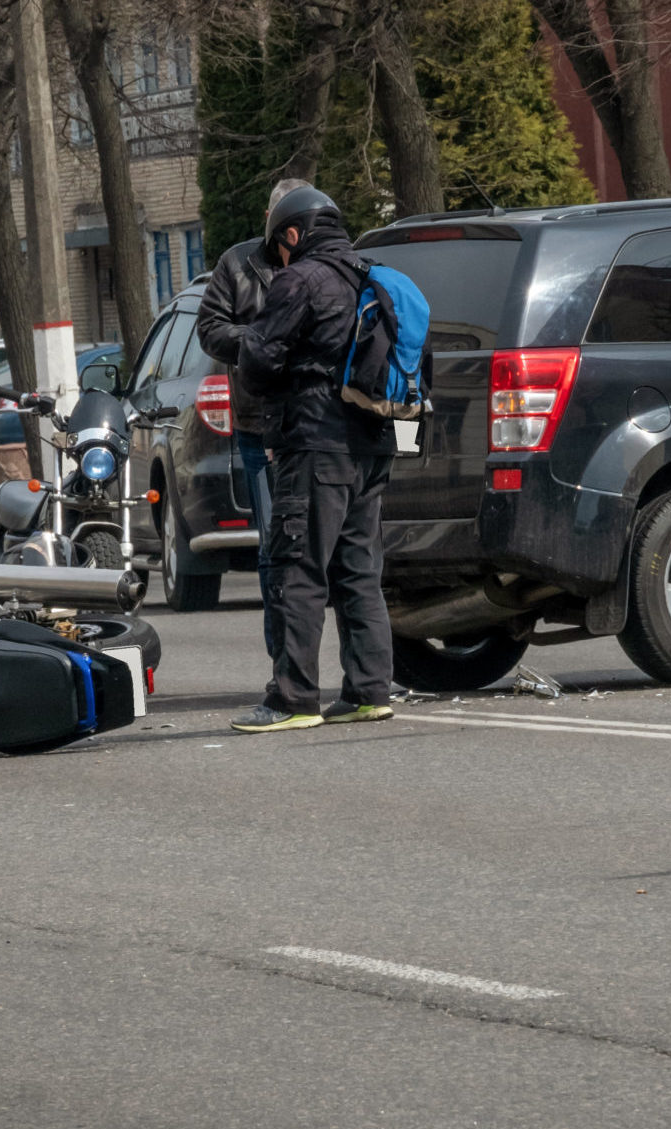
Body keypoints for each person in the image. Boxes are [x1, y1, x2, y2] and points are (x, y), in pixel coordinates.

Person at [229, 185, 396, 733]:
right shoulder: (371, 276)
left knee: (296, 569)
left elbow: (258, 358)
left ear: (293, 234)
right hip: (372, 444)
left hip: (315, 444)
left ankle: (293, 699)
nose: (279, 255)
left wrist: (267, 366)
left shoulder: (299, 279)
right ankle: (370, 690)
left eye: (280, 244)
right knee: (359, 570)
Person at [193, 177, 311, 659]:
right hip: (258, 423)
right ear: (271, 221)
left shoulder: (322, 261)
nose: (289, 233)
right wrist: (261, 340)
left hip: (316, 420)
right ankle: (282, 660)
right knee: (274, 544)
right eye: (282, 221)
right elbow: (209, 327)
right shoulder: (237, 263)